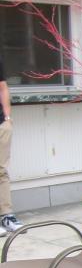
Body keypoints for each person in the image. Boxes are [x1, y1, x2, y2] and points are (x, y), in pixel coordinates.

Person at [0, 56, 22, 236]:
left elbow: (2, 87)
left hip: (1, 124)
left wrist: (7, 118)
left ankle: (6, 216)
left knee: (1, 171)